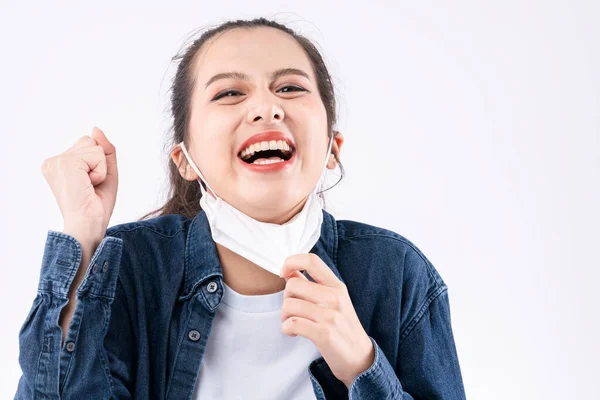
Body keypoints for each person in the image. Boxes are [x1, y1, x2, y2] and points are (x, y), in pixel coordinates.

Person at [14, 17, 466, 399]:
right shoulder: (129, 268)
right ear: (185, 160)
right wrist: (83, 238)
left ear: (332, 148)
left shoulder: (396, 275)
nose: (266, 108)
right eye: (229, 93)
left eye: (290, 87)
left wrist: (362, 365)